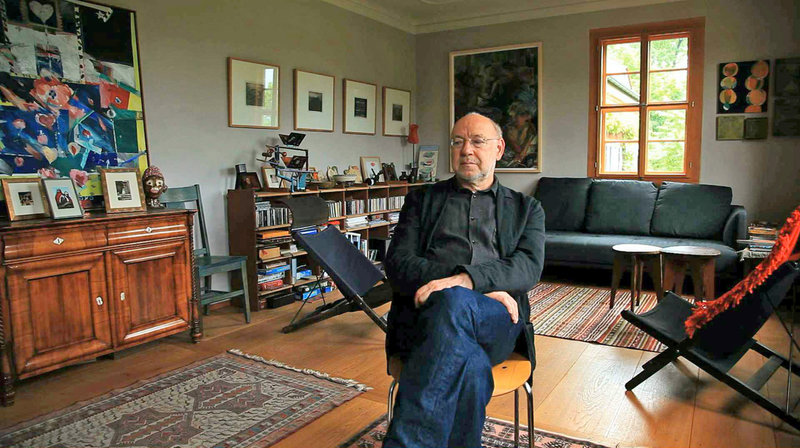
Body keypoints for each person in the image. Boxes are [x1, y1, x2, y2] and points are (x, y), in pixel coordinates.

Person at [383, 112, 546, 448]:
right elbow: (397, 264)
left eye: (477, 141)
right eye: (458, 141)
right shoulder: (421, 200)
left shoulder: (527, 208)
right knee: (469, 364)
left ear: (499, 148)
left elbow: (528, 268)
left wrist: (470, 282)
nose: (466, 150)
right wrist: (459, 282)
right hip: (425, 320)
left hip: (497, 321)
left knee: (455, 301)